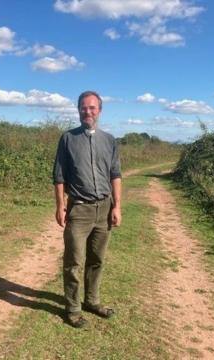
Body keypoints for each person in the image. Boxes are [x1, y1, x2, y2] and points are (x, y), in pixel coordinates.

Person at [52, 90, 122, 328]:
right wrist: (61, 206)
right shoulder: (68, 139)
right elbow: (59, 176)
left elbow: (116, 175)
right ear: (78, 110)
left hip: (104, 209)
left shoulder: (110, 140)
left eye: (92, 108)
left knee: (97, 259)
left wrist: (117, 206)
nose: (87, 112)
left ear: (99, 110)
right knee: (73, 262)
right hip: (79, 211)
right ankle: (72, 309)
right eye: (83, 107)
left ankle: (92, 301)